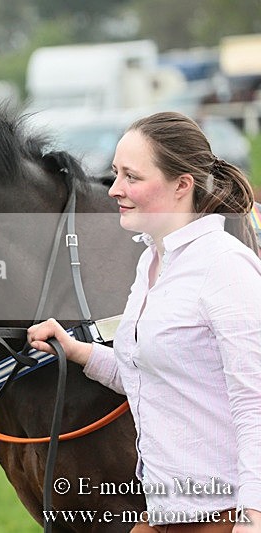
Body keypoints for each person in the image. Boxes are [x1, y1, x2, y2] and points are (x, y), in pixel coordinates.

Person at [27, 112, 261, 533]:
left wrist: (253, 516)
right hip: (166, 511)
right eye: (115, 173)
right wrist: (76, 349)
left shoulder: (224, 266)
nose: (115, 189)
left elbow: (254, 401)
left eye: (132, 177)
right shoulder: (151, 263)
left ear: (181, 185)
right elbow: (148, 374)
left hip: (225, 513)